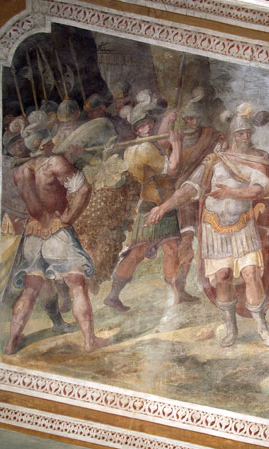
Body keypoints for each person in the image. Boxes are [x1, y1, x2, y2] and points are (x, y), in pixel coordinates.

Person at [144, 103, 269, 347]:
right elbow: (189, 189)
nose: (244, 137)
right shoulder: (215, 160)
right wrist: (163, 207)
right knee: (223, 276)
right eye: (239, 133)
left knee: (250, 273)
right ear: (232, 135)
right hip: (215, 228)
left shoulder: (256, 160)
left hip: (244, 226)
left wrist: (231, 193)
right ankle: (231, 327)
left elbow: (260, 189)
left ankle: (261, 327)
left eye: (247, 133)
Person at [6, 141, 108, 354]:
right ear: (49, 142)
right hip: (57, 232)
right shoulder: (55, 163)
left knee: (30, 291)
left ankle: (11, 343)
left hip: (33, 234)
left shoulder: (20, 171)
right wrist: (69, 218)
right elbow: (84, 190)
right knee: (77, 286)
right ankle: (89, 341)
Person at [102, 91, 188, 311]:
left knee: (161, 249)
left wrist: (167, 120)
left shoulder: (132, 149)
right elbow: (172, 169)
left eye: (149, 124)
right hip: (156, 205)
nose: (148, 128)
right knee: (148, 251)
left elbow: (159, 145)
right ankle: (174, 295)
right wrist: (177, 143)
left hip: (148, 203)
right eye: (142, 126)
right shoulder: (145, 148)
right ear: (136, 129)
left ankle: (175, 294)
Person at [168, 91, 222, 301]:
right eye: (190, 118)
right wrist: (175, 144)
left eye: (197, 118)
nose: (194, 122)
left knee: (210, 240)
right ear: (184, 120)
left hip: (207, 196)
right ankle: (180, 286)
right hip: (186, 199)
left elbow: (223, 149)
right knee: (187, 242)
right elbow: (173, 169)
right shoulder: (178, 139)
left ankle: (212, 283)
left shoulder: (211, 135)